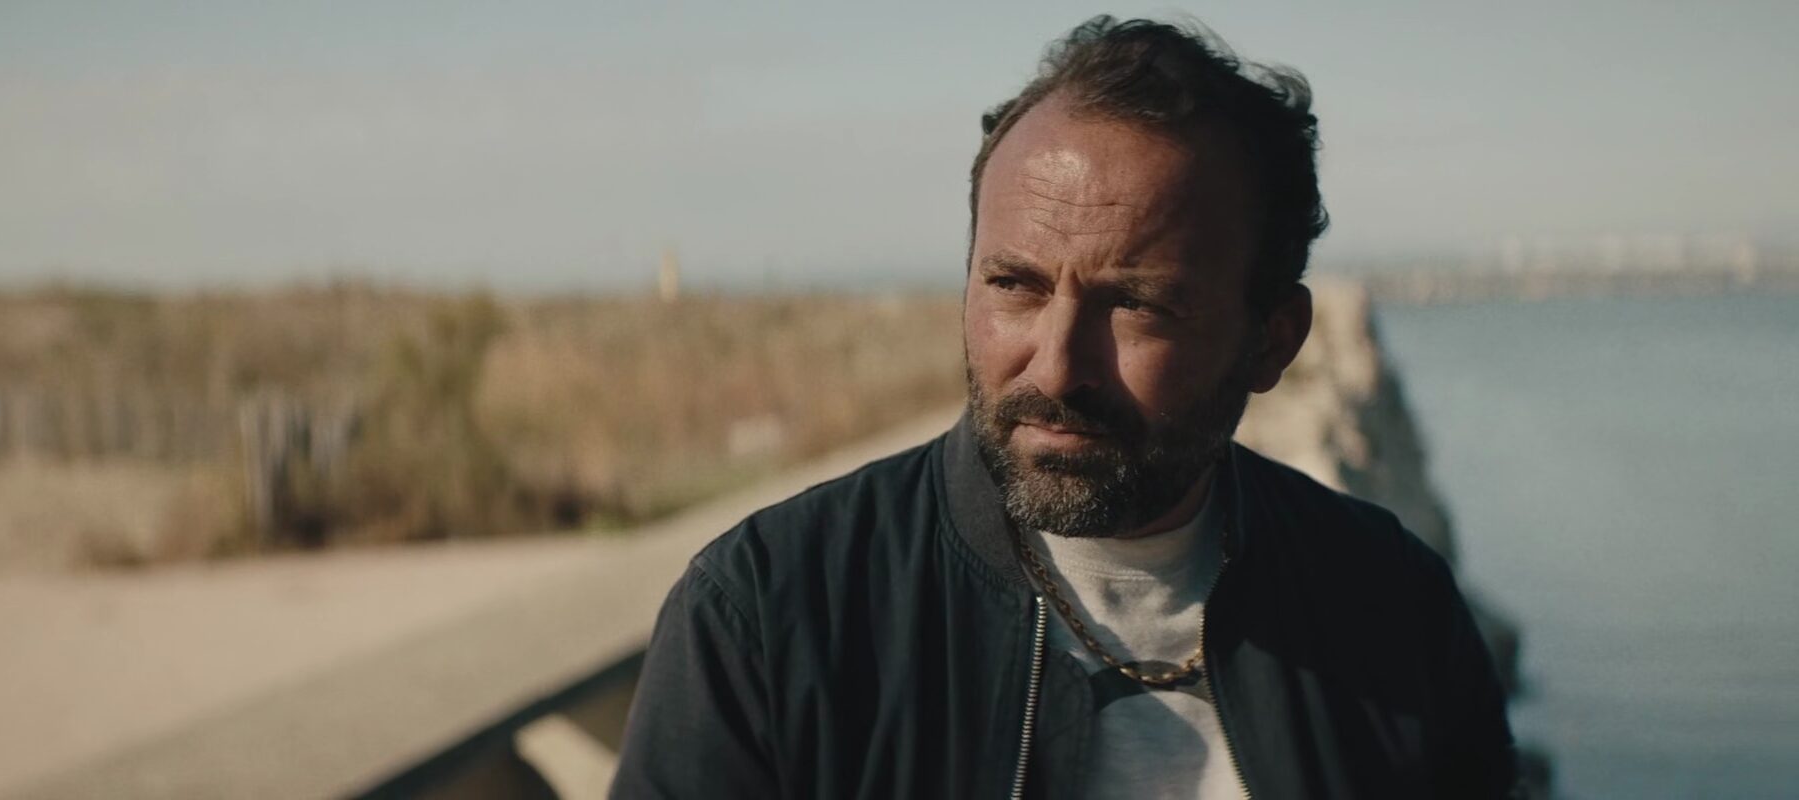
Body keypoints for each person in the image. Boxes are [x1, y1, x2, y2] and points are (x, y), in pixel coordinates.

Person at [611, 15, 1516, 799]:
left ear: (1271, 341)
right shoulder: (770, 617)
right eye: (1015, 285)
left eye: (1137, 305)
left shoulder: (1391, 610)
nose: (1056, 368)